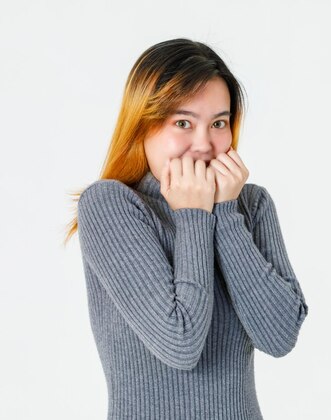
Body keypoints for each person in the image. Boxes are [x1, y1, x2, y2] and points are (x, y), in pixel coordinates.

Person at [64, 38, 309, 419]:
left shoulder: (251, 205)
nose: (204, 145)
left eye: (218, 123)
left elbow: (279, 338)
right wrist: (194, 216)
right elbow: (180, 343)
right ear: (142, 126)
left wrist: (226, 213)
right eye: (182, 123)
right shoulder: (110, 204)